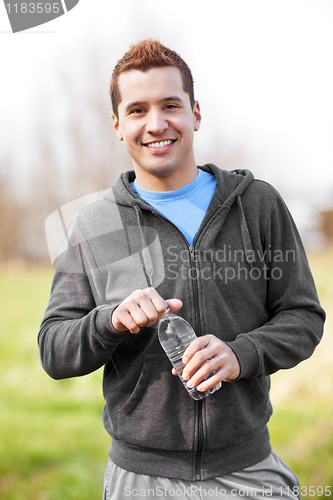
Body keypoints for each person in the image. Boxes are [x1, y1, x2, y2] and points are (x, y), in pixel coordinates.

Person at [38, 39, 325, 500]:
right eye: (137, 110)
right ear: (117, 124)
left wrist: (241, 354)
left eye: (170, 105)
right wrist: (110, 321)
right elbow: (53, 348)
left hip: (248, 469)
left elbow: (304, 317)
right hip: (140, 480)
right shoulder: (95, 225)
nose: (156, 124)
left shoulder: (257, 205)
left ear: (195, 113)